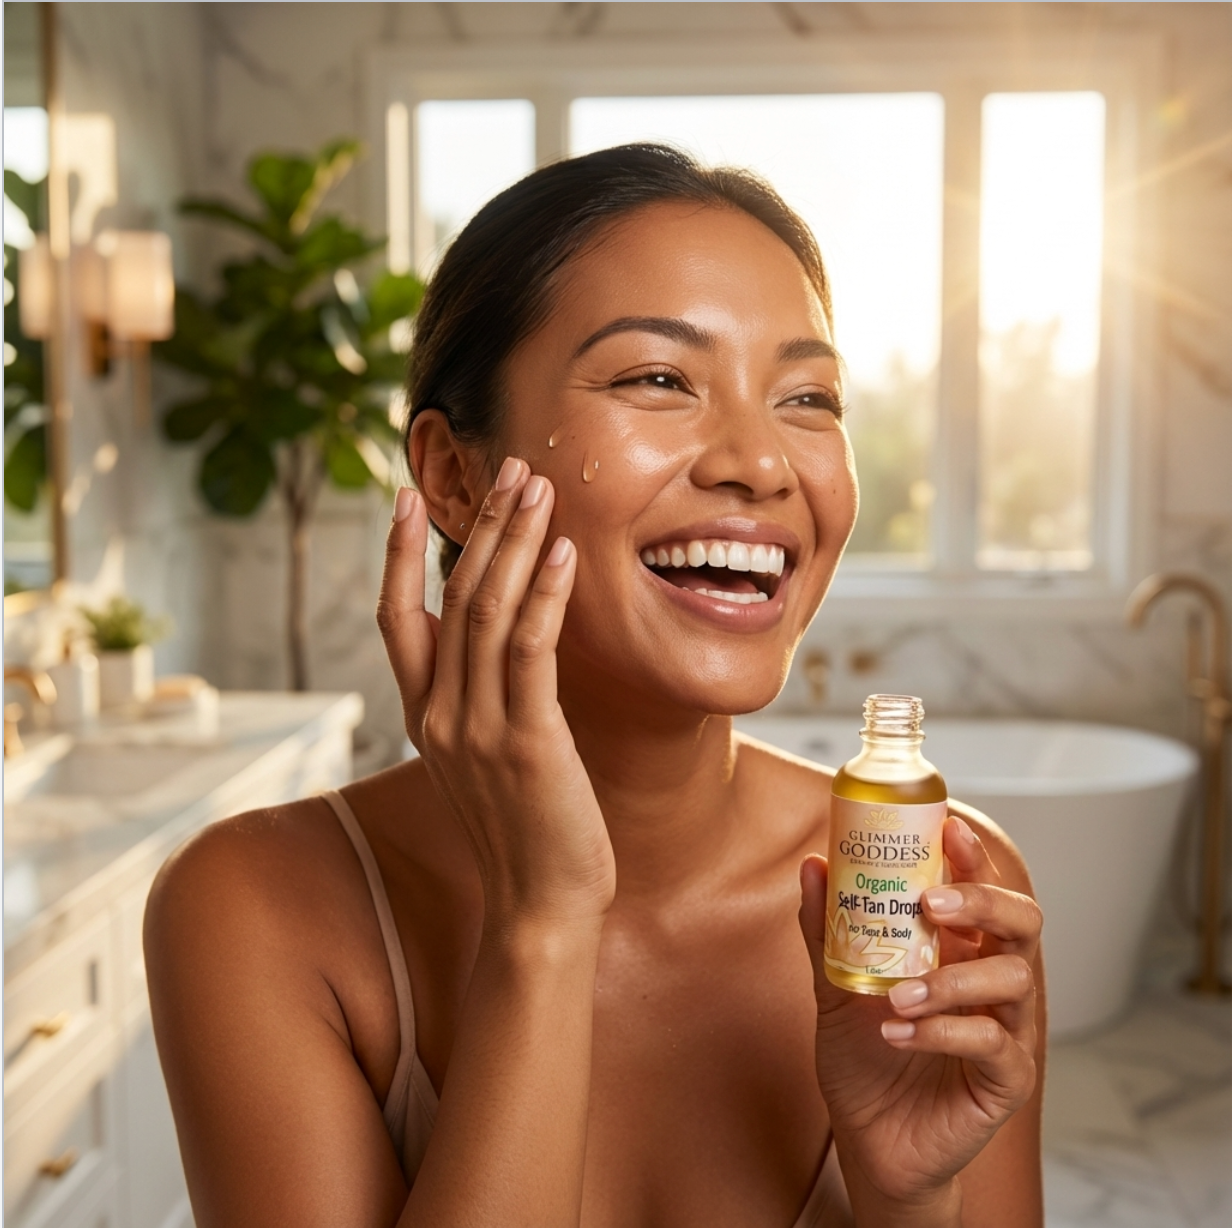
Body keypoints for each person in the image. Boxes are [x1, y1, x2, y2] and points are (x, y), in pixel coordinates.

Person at [145, 144, 1044, 1228]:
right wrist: (542, 924)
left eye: (806, 396)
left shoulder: (930, 881)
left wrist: (909, 1199)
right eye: (657, 378)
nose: (760, 463)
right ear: (454, 476)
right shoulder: (257, 908)